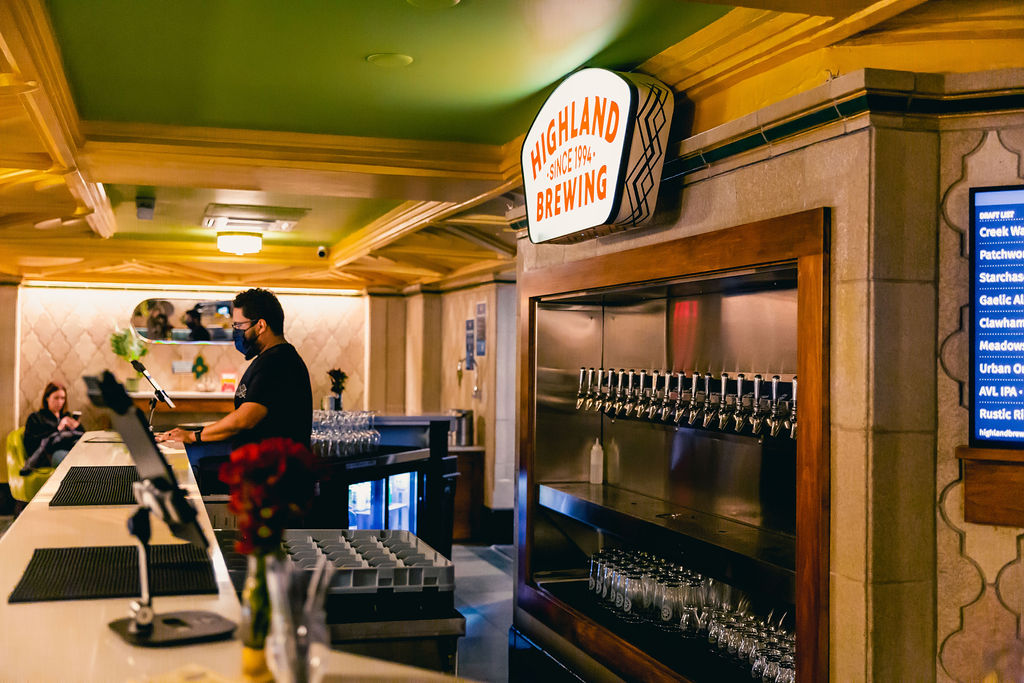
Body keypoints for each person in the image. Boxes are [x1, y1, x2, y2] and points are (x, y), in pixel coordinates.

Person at [156, 288, 312, 449]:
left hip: (278, 468)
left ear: (261, 325)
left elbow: (244, 419)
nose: (235, 331)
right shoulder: (268, 359)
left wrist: (192, 436)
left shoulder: (278, 362)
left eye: (238, 325)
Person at [21, 381, 83, 472]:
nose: (60, 402)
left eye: (62, 398)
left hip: (69, 450)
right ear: (47, 398)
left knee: (84, 456)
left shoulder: (66, 416)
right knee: (65, 458)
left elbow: (82, 437)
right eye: (56, 398)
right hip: (47, 455)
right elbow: (31, 444)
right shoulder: (36, 417)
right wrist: (58, 429)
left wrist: (77, 426)